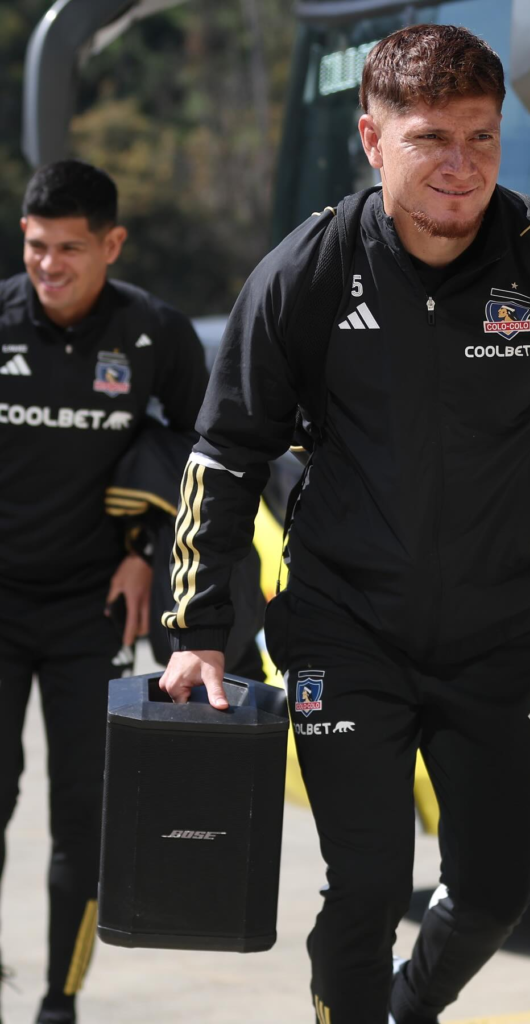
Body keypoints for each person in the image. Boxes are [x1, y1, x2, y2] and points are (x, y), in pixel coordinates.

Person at [159, 24, 530, 1024]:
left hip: (498, 639)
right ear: (373, 139)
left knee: (497, 890)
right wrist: (197, 627)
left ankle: (409, 1011)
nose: (462, 167)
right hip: (343, 632)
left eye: (482, 138)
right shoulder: (306, 272)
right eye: (431, 139)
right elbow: (224, 452)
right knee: (365, 890)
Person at [0, 159, 208, 1024]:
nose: (51, 266)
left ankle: (61, 1001)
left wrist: (146, 550)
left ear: (112, 245)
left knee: (79, 821)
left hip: (94, 612)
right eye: (38, 247)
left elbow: (213, 458)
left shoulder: (156, 336)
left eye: (71, 249)